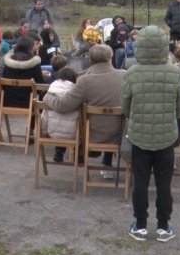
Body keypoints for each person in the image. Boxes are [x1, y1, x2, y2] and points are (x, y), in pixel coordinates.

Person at [121, 25, 180, 242]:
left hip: (140, 135)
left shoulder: (132, 72)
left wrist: (137, 118)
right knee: (164, 183)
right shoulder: (175, 72)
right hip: (166, 135)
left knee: (140, 182)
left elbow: (125, 105)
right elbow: (179, 105)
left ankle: (140, 225)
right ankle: (163, 226)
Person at [44, 44, 126, 172]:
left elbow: (62, 106)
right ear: (110, 57)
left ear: (90, 59)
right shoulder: (125, 76)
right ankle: (107, 163)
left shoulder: (84, 80)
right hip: (121, 134)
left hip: (92, 135)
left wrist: (47, 96)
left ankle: (70, 154)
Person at [39, 67, 79, 161]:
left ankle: (59, 151)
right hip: (73, 134)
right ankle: (79, 155)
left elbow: (44, 117)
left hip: (52, 132)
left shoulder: (49, 94)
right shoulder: (77, 95)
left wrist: (43, 133)